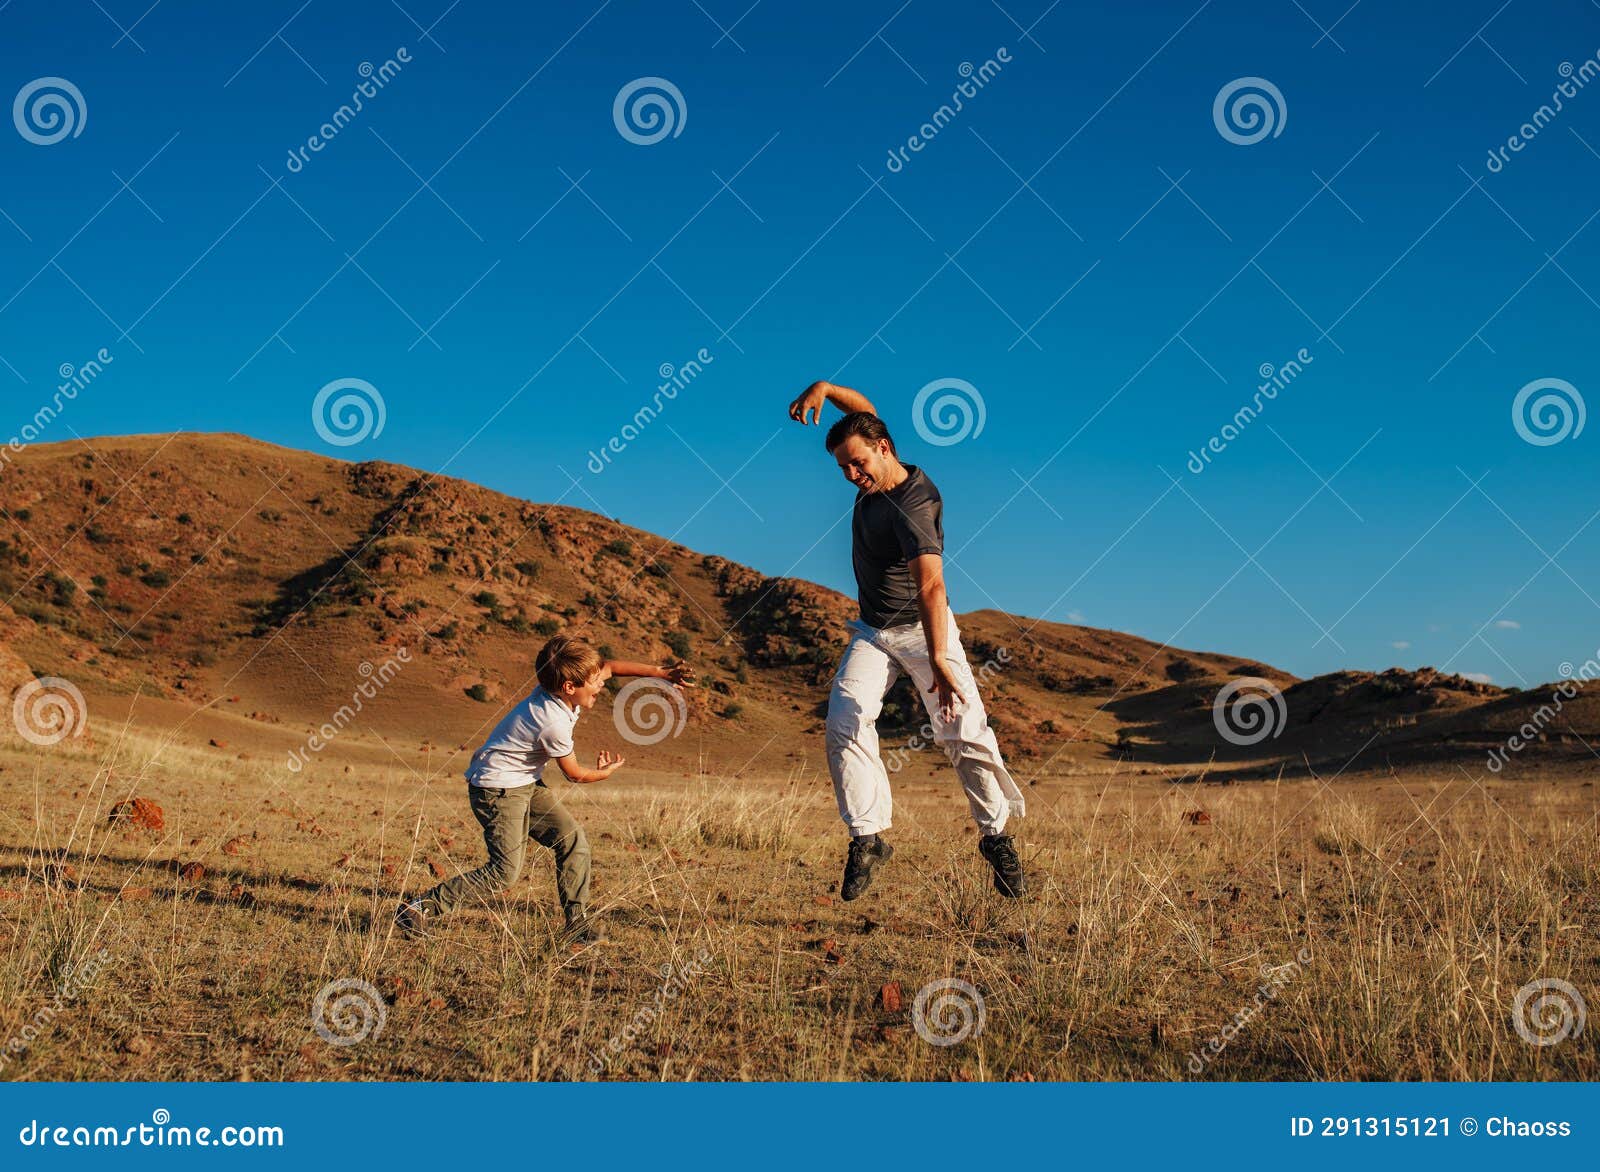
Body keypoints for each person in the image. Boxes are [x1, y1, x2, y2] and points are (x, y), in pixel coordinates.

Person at [787, 380, 1027, 901]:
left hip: (923, 631)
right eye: (845, 469)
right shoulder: (874, 455)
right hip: (873, 631)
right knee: (844, 719)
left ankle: (997, 839)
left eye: (857, 465)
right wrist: (825, 390)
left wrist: (939, 658)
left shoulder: (914, 504)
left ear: (884, 450)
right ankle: (868, 837)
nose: (852, 476)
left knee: (962, 730)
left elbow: (933, 585)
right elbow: (865, 410)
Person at [396, 634, 694, 943]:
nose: (601, 684)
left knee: (572, 839)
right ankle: (419, 909)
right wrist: (603, 773)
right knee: (504, 872)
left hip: (524, 782)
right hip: (497, 790)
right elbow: (575, 774)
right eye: (593, 682)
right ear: (569, 687)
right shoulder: (552, 723)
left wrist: (662, 674)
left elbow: (610, 667)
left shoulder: (559, 689)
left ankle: (577, 924)